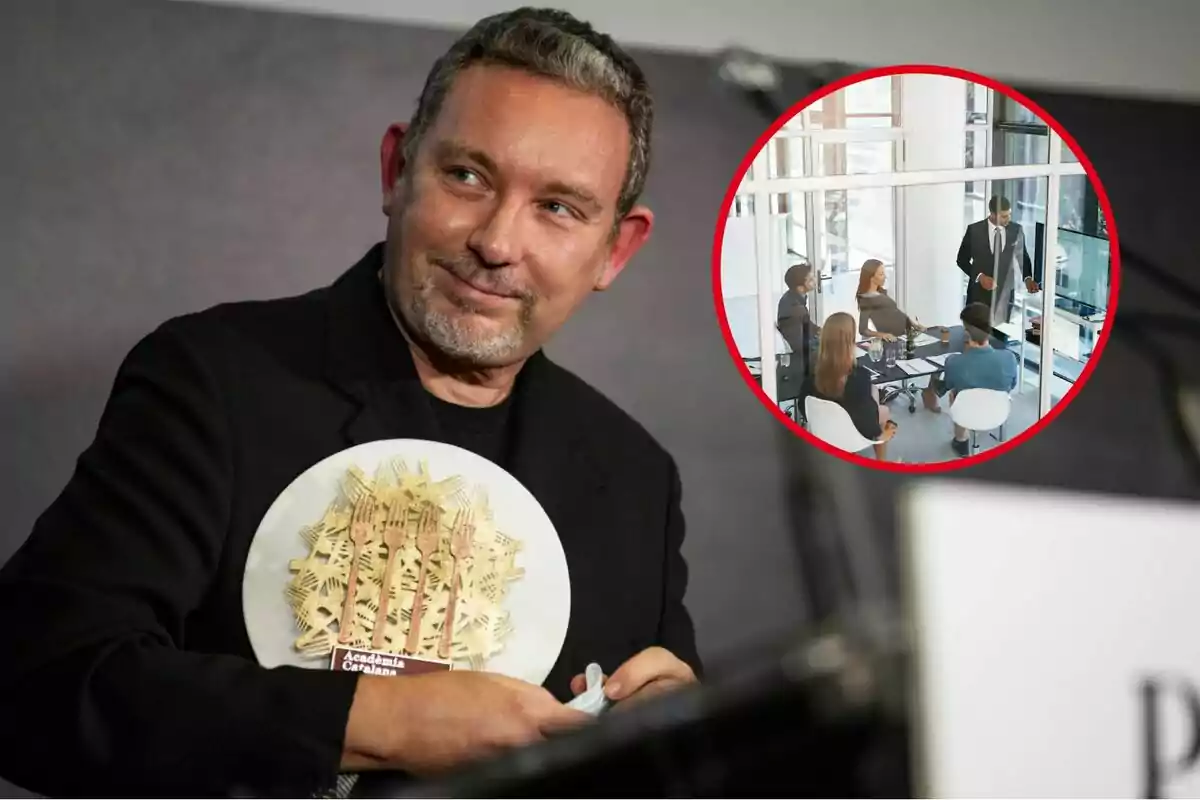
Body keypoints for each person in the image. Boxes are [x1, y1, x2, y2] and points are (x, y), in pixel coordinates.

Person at [0, 9, 700, 798]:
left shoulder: (636, 478)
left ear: (616, 249)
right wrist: (378, 721)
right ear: (395, 171)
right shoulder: (216, 380)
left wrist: (676, 740)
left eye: (559, 208)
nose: (498, 242)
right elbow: (37, 683)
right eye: (467, 176)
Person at [922, 303, 1019, 457]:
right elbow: (1012, 385)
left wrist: (933, 380)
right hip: (999, 412)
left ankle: (961, 439)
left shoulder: (954, 362)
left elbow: (944, 387)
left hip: (966, 413)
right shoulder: (1010, 358)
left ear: (966, 332)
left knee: (954, 393)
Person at [802, 313, 896, 460]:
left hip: (823, 435)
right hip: (852, 437)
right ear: (851, 342)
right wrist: (883, 434)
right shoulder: (859, 377)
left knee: (874, 392)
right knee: (883, 411)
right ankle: (882, 463)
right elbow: (868, 424)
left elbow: (804, 409)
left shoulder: (811, 378)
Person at [956, 195, 1039, 325]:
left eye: (1009, 215)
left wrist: (1027, 278)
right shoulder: (974, 231)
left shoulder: (1016, 230)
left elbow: (1023, 256)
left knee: (1000, 340)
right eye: (1004, 216)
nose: (1008, 219)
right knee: (975, 334)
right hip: (978, 296)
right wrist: (980, 277)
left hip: (1005, 298)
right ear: (993, 215)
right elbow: (961, 260)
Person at [855, 258, 923, 341]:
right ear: (871, 277)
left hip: (906, 334)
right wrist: (882, 335)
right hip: (894, 340)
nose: (885, 277)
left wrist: (913, 324)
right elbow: (863, 330)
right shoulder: (866, 300)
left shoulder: (881, 292)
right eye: (881, 274)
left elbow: (895, 312)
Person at [776, 261, 817, 373]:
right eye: (811, 279)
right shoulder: (794, 308)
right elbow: (799, 345)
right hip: (803, 360)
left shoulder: (793, 298)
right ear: (800, 288)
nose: (815, 281)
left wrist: (825, 332)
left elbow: (807, 324)